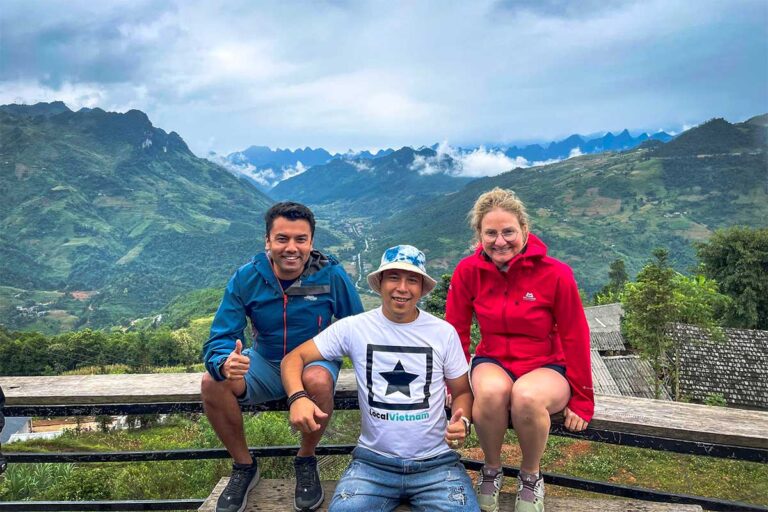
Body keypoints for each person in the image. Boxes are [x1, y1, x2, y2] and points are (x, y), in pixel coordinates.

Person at [281, 245, 479, 511]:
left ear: (421, 288)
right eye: (394, 277)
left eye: (412, 280)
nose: (402, 288)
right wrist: (298, 398)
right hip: (372, 463)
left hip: (437, 463)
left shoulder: (443, 333)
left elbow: (462, 391)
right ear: (380, 283)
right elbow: (293, 359)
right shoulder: (355, 328)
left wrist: (462, 419)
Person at [201, 202, 363, 512]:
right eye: (282, 239)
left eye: (300, 239)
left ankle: (305, 458)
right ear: (267, 242)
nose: (291, 248)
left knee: (317, 379)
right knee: (213, 382)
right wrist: (223, 361)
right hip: (263, 362)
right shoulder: (247, 278)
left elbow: (356, 325)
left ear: (311, 242)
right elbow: (221, 334)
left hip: (313, 360)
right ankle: (244, 466)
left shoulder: (330, 273)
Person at [445, 188, 594, 512]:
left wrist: (583, 397)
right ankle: (492, 468)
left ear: (525, 230)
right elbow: (455, 330)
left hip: (546, 364)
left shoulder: (556, 274)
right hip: (493, 358)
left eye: (509, 231)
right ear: (479, 236)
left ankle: (530, 475)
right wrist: (450, 385)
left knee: (525, 397)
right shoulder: (468, 272)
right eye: (491, 233)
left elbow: (575, 335)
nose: (500, 241)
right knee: (491, 393)